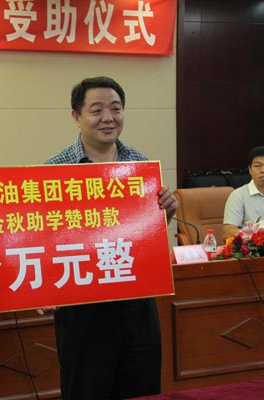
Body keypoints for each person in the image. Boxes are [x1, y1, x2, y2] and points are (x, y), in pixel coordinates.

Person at [42, 76, 178, 400]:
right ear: (76, 116)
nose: (108, 118)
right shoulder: (54, 170)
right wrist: (44, 287)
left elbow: (145, 234)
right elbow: (43, 239)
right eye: (97, 110)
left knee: (142, 386)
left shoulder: (140, 165)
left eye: (116, 109)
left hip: (136, 299)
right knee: (86, 389)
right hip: (81, 301)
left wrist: (166, 213)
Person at [223, 146, 264, 238]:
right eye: (257, 166)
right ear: (250, 170)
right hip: (252, 245)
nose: (263, 170)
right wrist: (256, 238)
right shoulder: (238, 196)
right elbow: (228, 231)